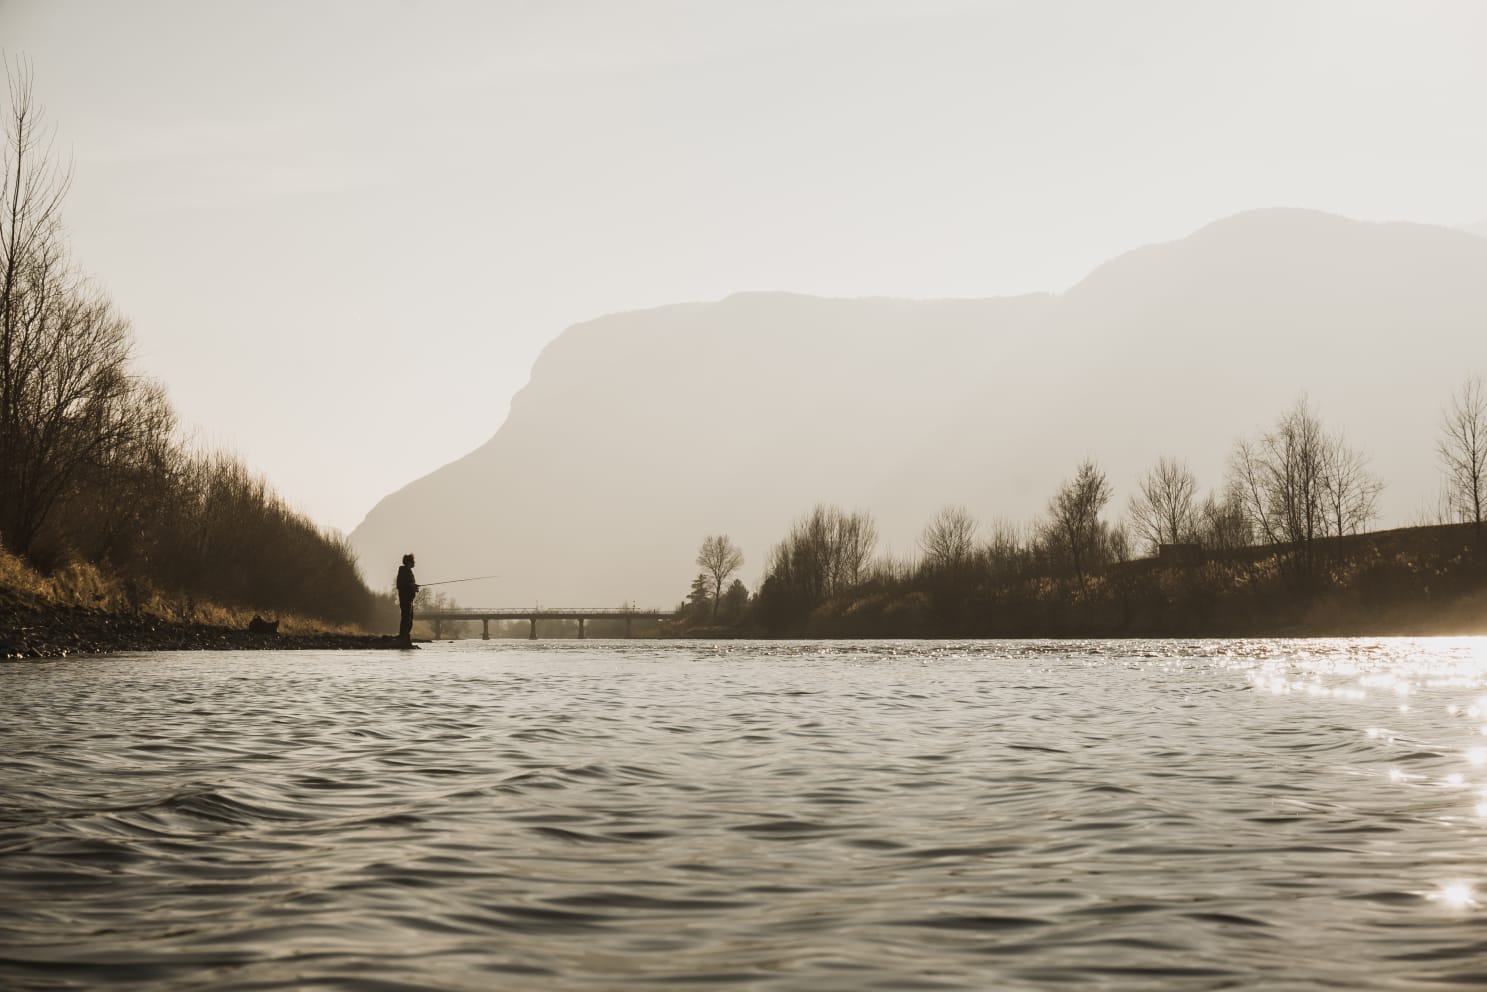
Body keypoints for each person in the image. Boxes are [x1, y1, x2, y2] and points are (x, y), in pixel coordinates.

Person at [396, 553, 418, 646]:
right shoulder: (403, 572)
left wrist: (414, 587)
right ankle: (403, 637)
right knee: (406, 618)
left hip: (409, 599)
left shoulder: (408, 572)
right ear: (409, 562)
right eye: (413, 561)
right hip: (405, 599)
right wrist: (411, 586)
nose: (414, 563)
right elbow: (400, 585)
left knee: (409, 618)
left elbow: (409, 584)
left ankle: (405, 637)